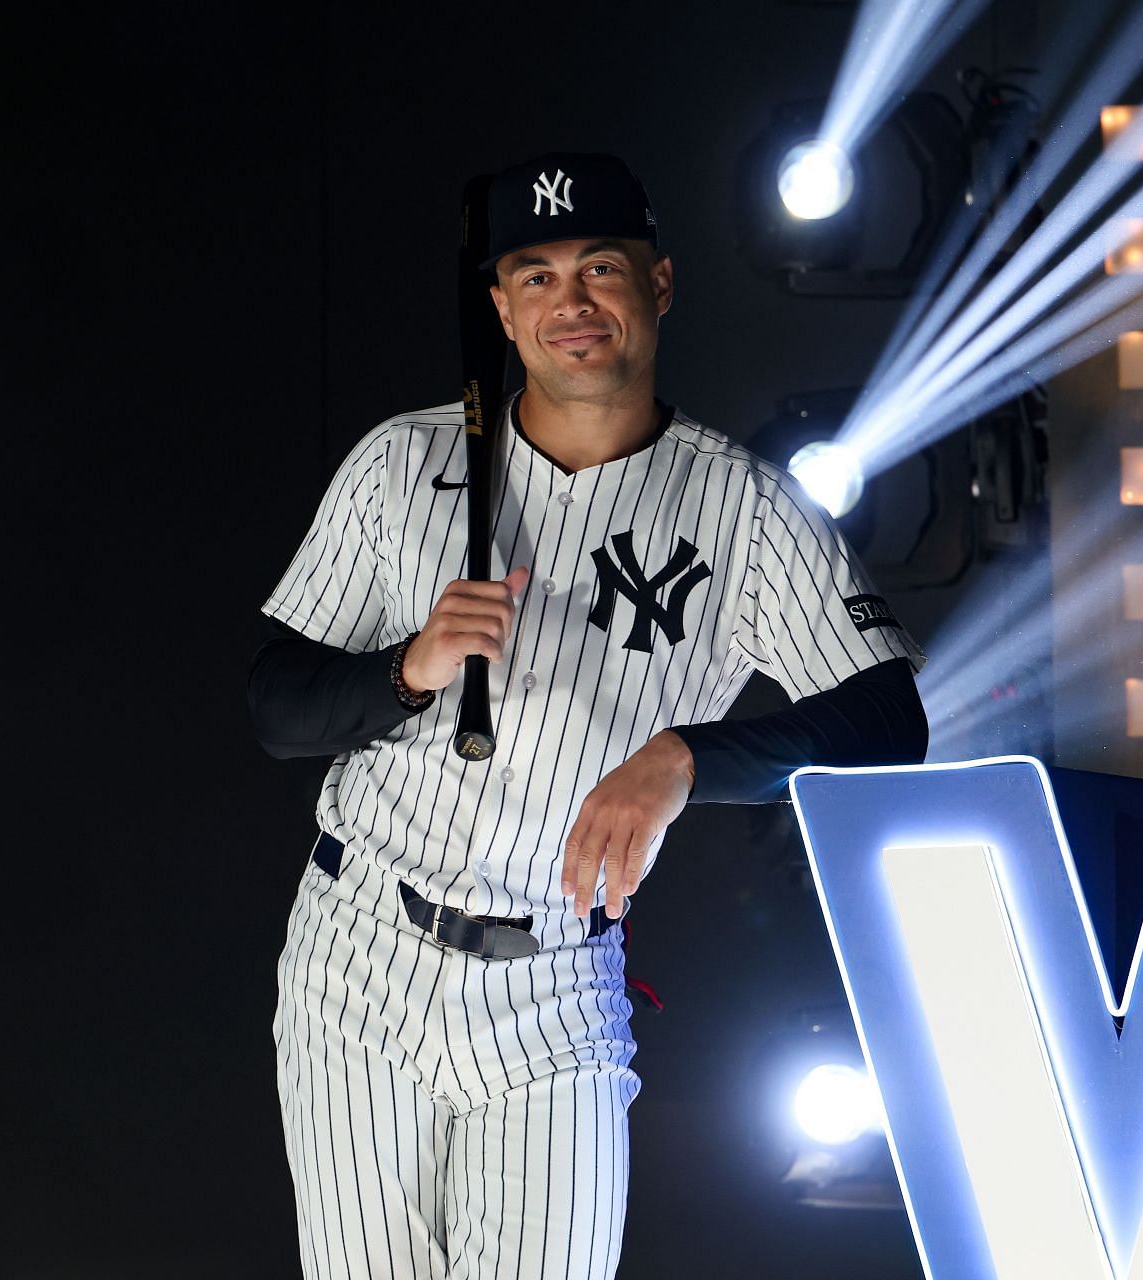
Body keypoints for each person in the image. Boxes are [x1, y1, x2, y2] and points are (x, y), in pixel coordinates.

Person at [247, 150, 927, 1280]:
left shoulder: (746, 511)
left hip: (557, 974)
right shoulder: (402, 464)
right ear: (503, 307)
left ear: (658, 285)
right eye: (537, 275)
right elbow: (276, 705)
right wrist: (408, 666)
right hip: (359, 951)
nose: (571, 302)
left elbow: (886, 722)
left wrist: (686, 759)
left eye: (600, 268)